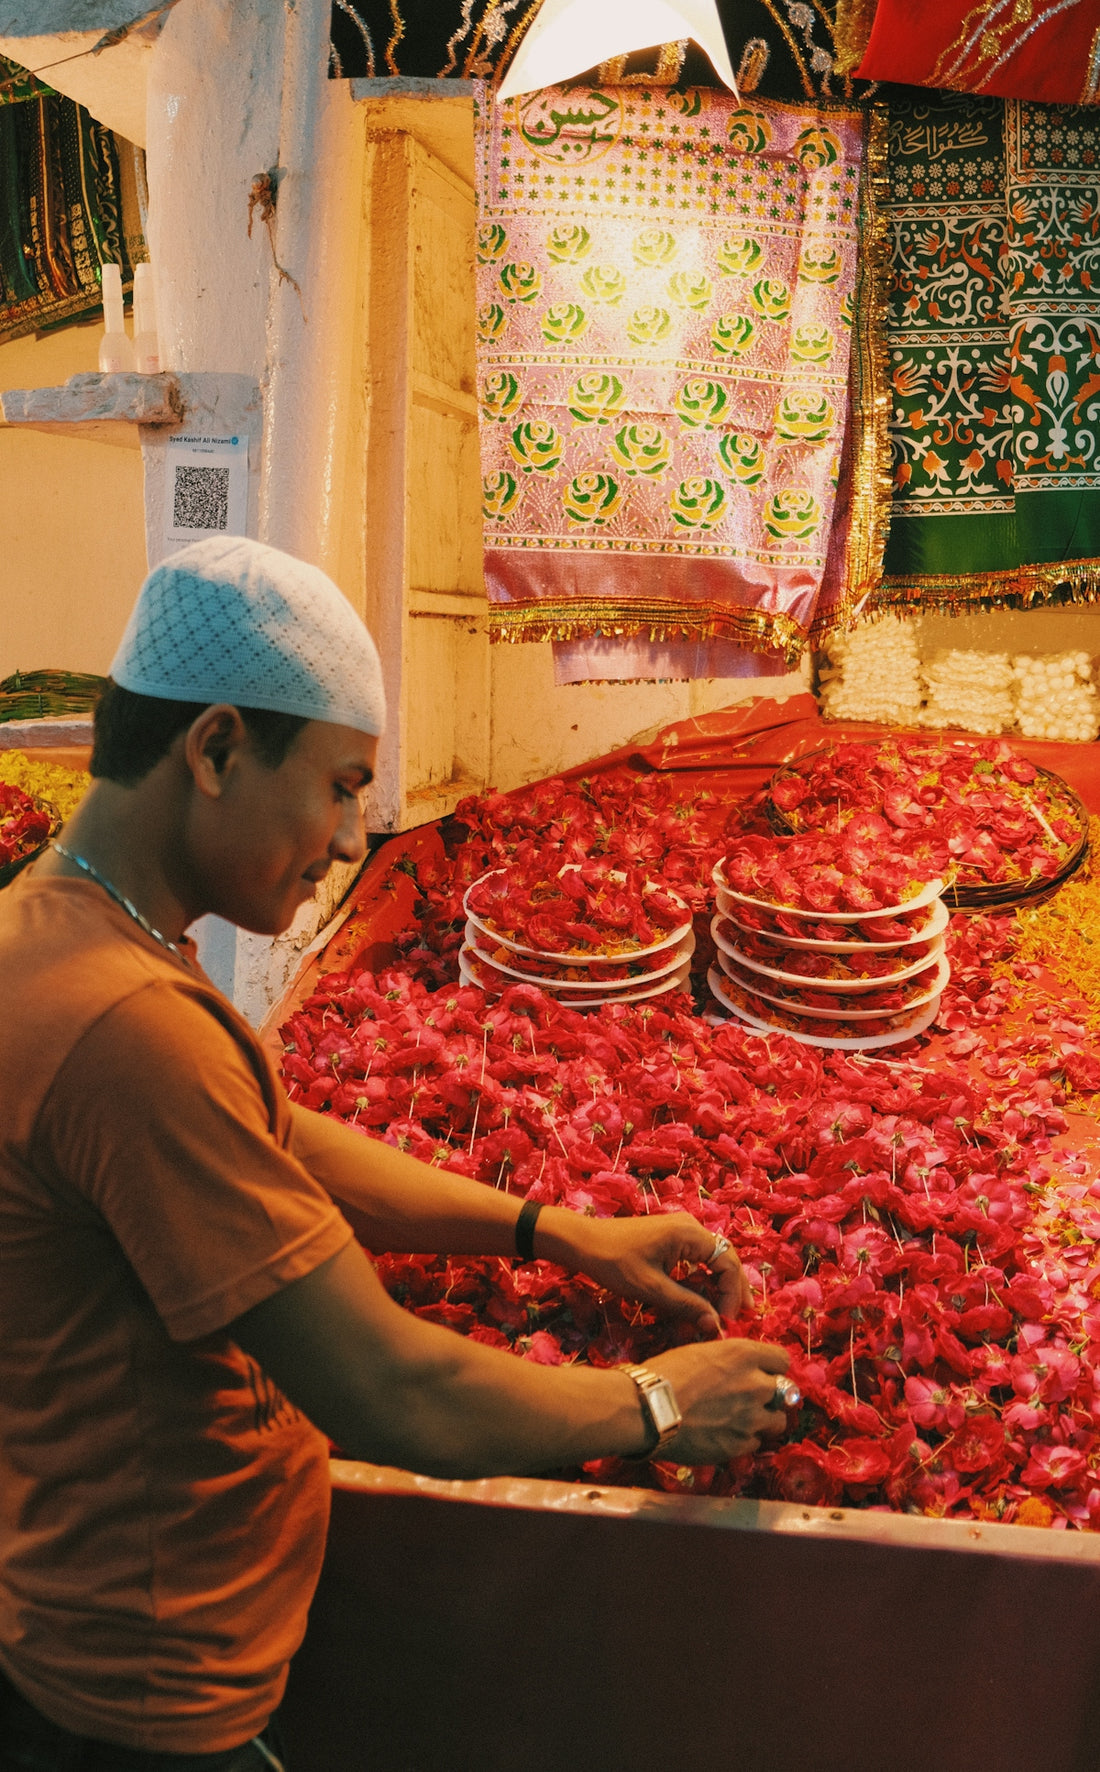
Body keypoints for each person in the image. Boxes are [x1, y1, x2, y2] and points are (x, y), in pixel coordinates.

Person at [0, 536, 790, 1770]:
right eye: (337, 785)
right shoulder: (128, 1024)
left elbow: (267, 1128)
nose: (349, 835)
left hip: (95, 1620)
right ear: (214, 750)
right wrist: (657, 1403)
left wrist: (554, 1231)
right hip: (147, 1697)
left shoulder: (61, 931)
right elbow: (386, 1386)